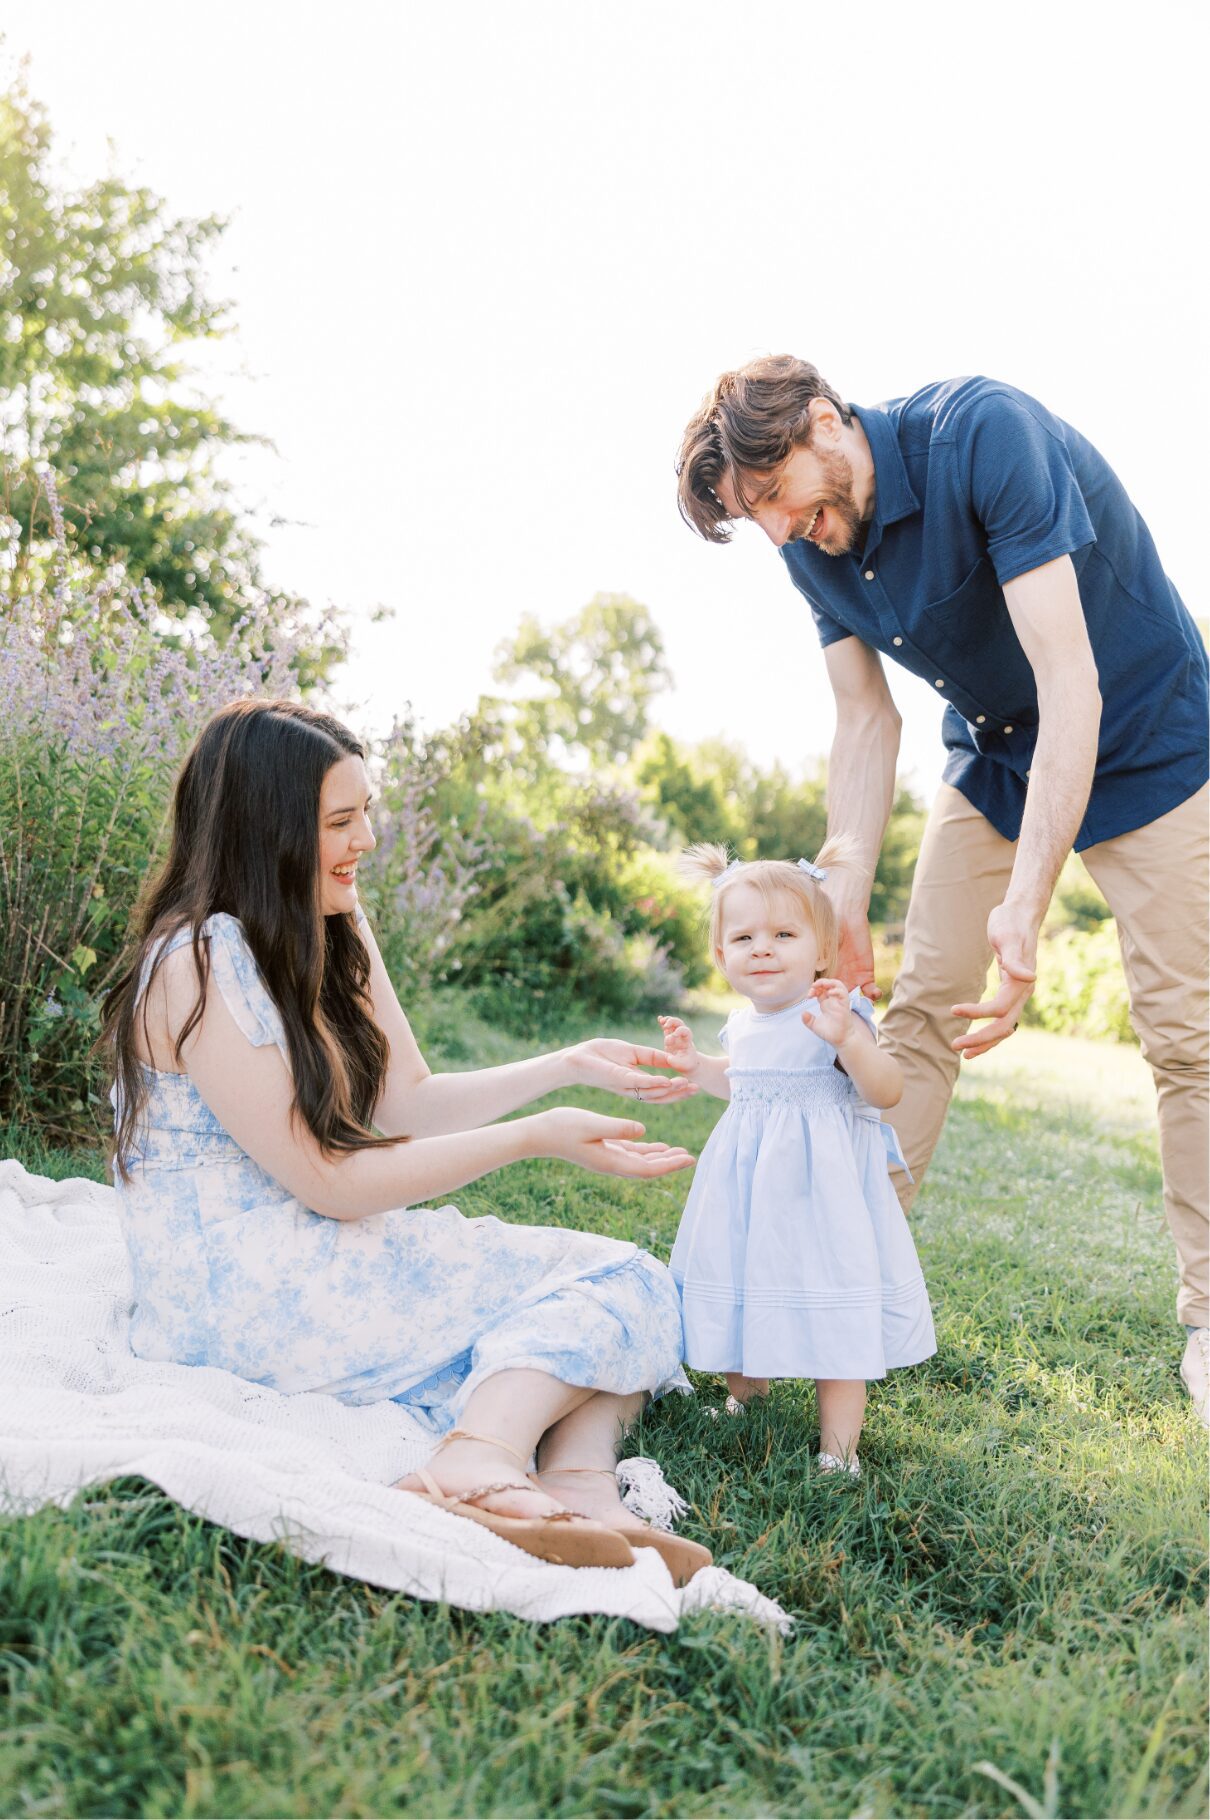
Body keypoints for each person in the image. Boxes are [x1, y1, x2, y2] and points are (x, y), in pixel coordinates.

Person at [676, 358, 1210, 1427]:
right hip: (999, 756)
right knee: (913, 1013)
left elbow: (1072, 680)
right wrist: (841, 900)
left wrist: (1027, 896)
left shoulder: (984, 435)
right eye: (757, 516)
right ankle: (837, 1282)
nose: (781, 531)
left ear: (825, 422)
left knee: (1186, 1035)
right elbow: (865, 723)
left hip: (1151, 739)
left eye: (775, 496)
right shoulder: (809, 545)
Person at [100, 697, 713, 1582]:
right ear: (265, 830)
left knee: (634, 1288)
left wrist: (566, 1063)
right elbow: (330, 1183)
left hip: (307, 1253)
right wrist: (533, 1138)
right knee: (610, 1287)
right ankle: (479, 1460)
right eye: (342, 821)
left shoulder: (330, 919)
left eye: (367, 815)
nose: (367, 841)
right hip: (237, 1296)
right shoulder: (198, 960)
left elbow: (411, 1101)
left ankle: (576, 1487)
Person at [656, 843, 935, 1474]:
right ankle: (744, 1398)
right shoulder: (743, 1025)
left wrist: (849, 1041)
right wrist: (696, 1066)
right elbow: (746, 1083)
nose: (763, 948)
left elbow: (886, 1091)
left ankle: (840, 1450)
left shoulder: (833, 1015)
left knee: (832, 1310)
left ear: (823, 949)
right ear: (720, 954)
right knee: (745, 1281)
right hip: (751, 1195)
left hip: (821, 1201)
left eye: (784, 934)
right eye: (745, 936)